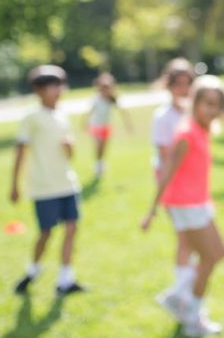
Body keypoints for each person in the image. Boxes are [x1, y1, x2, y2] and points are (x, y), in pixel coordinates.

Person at [141, 75, 224, 336]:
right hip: (185, 205)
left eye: (217, 105)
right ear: (195, 103)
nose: (212, 110)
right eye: (207, 104)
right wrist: (152, 210)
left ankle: (180, 298)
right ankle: (191, 314)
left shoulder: (201, 129)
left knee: (216, 254)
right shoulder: (186, 132)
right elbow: (166, 172)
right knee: (211, 256)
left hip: (197, 203)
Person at [10, 65, 86, 296]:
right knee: (46, 233)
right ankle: (33, 271)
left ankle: (65, 279)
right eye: (51, 86)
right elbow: (21, 151)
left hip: (67, 183)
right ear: (39, 90)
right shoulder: (32, 117)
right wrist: (14, 184)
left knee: (72, 228)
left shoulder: (63, 115)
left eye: (59, 85)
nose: (57, 90)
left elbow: (70, 154)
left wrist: (70, 148)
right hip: (44, 187)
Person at [150, 58, 197, 314]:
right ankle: (179, 293)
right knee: (186, 239)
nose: (183, 88)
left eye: (187, 83)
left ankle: (181, 292)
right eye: (177, 83)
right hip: (175, 187)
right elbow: (164, 157)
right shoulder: (163, 116)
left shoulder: (193, 112)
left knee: (191, 241)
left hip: (193, 186)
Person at [84, 72, 133, 177]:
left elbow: (123, 111)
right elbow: (89, 112)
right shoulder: (96, 99)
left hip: (106, 126)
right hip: (96, 126)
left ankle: (101, 163)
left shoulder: (112, 99)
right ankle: (98, 165)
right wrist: (85, 123)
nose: (106, 90)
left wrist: (127, 124)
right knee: (99, 145)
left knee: (103, 147)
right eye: (104, 87)